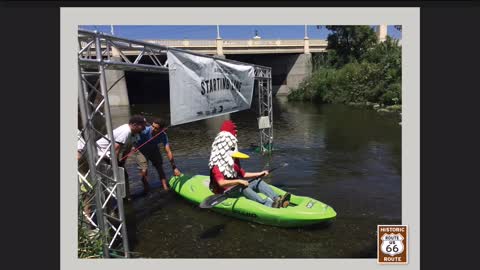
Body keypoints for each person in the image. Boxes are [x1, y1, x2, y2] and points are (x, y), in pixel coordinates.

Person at [208, 120, 290, 208]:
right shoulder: (216, 165)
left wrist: (260, 173)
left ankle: (277, 199)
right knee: (244, 188)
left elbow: (243, 174)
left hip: (236, 186)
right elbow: (221, 183)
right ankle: (267, 204)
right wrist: (239, 181)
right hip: (224, 191)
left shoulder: (234, 160)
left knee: (256, 181)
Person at [132, 117, 181, 192]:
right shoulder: (144, 131)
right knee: (144, 170)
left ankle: (165, 188)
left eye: (156, 128)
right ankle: (146, 190)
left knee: (160, 167)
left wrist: (174, 167)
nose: (152, 129)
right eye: (152, 126)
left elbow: (168, 151)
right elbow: (132, 134)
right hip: (141, 151)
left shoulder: (163, 135)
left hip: (153, 149)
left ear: (161, 129)